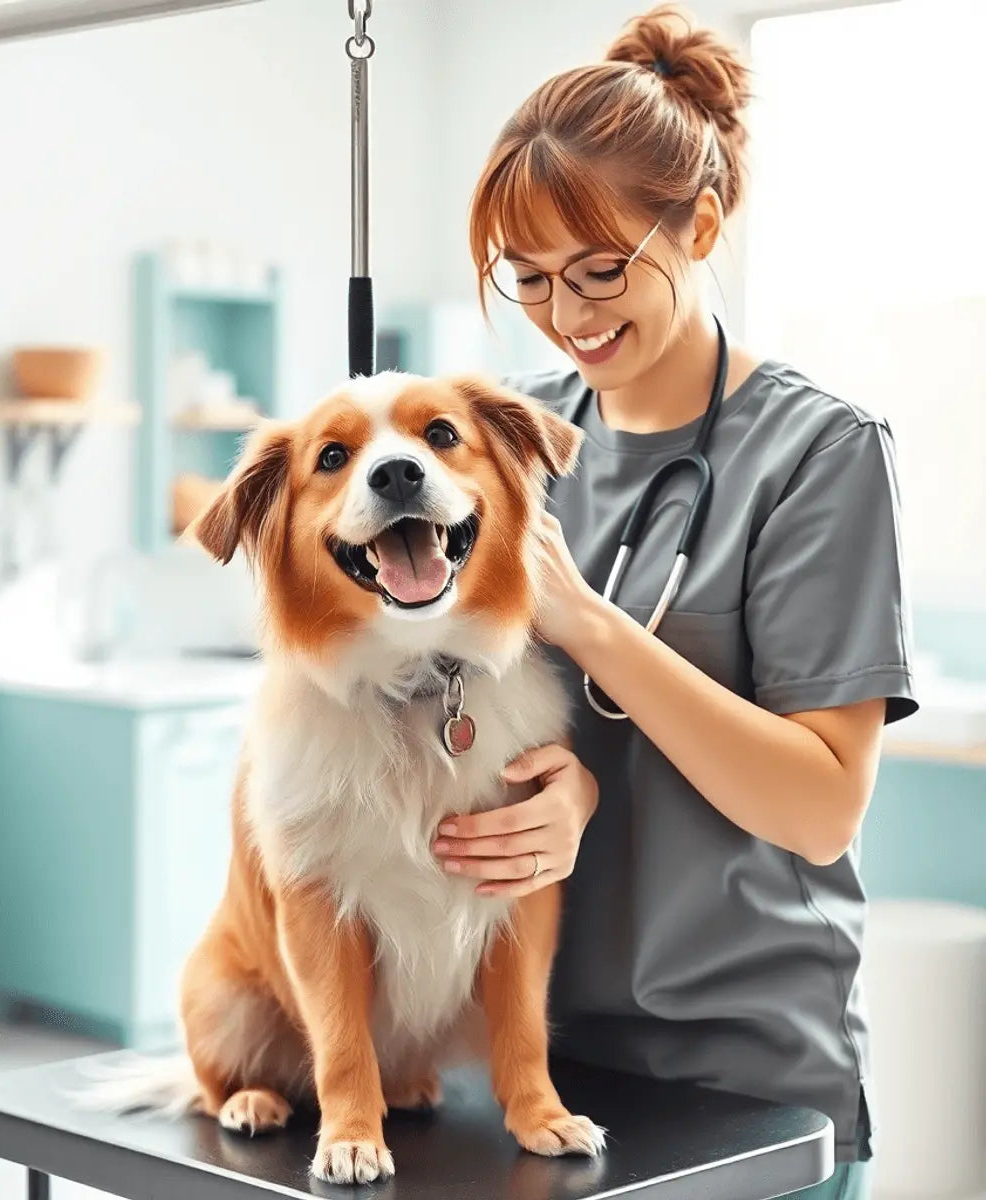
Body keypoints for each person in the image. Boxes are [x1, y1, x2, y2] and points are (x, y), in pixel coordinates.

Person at [429, 6, 917, 1197]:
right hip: (529, 1061)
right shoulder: (512, 438)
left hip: (741, 1085)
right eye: (531, 281)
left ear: (698, 224)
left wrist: (591, 625)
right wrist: (565, 782)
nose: (568, 314)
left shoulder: (818, 453)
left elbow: (820, 808)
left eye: (602, 271)